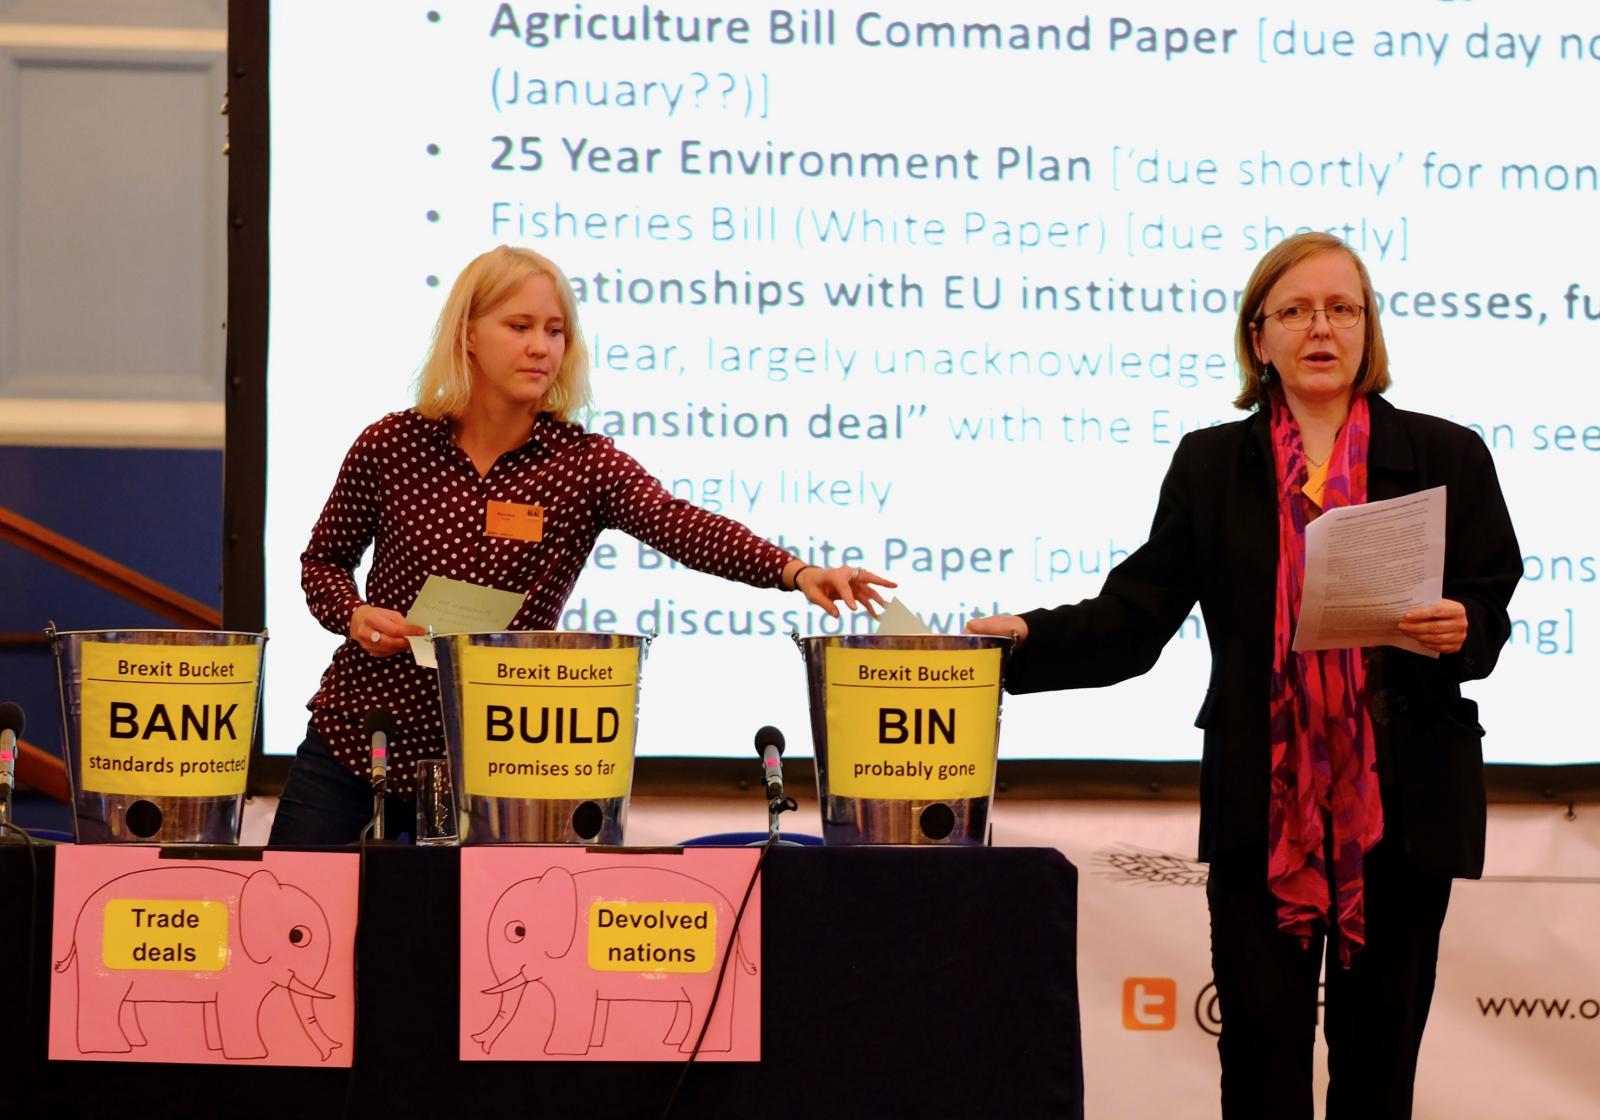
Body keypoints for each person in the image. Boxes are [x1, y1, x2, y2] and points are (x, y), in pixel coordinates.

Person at [969, 232, 1521, 1118]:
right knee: (1260, 1066)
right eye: (1295, 310)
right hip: (1263, 812)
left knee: (1378, 1074)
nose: (1321, 328)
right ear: (1256, 337)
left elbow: (1489, 608)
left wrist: (1464, 628)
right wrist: (1025, 640)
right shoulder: (1212, 465)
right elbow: (1137, 614)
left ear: (1368, 332)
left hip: (1403, 810)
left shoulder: (1447, 456)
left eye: (1343, 308)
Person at [269, 246, 891, 845]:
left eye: (555, 330)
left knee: (465, 950)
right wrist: (353, 615)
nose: (541, 346)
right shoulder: (393, 444)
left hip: (501, 760)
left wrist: (793, 571)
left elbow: (678, 523)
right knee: (294, 921)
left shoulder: (580, 464)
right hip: (360, 735)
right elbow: (323, 562)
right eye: (519, 326)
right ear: (467, 335)